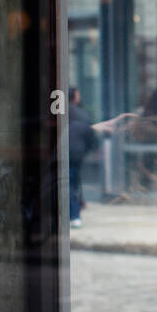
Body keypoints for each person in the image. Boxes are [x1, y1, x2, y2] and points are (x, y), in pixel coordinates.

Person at [67, 87, 98, 227]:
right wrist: (85, 151)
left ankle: (73, 214)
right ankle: (74, 214)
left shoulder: (59, 112)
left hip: (66, 153)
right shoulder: (82, 114)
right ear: (75, 97)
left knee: (68, 184)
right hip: (76, 154)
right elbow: (91, 137)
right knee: (72, 183)